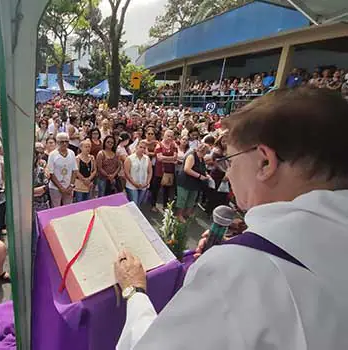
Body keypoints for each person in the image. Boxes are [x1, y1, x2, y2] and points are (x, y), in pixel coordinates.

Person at [115, 87, 348, 350]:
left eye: (230, 161)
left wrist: (134, 292)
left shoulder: (241, 268)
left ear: (265, 163)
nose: (228, 174)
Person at [175, 143, 209, 222]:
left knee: (191, 199)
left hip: (195, 183)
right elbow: (187, 169)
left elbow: (203, 169)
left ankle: (187, 213)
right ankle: (179, 215)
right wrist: (200, 176)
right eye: (203, 152)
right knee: (182, 199)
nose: (204, 154)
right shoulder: (191, 156)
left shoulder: (202, 159)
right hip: (185, 181)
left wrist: (207, 175)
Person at [47, 132, 78, 207]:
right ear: (57, 142)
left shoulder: (72, 153)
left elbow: (75, 170)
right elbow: (51, 173)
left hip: (69, 188)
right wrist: (61, 188)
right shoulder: (52, 155)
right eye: (62, 142)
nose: (64, 144)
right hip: (55, 188)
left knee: (68, 209)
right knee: (56, 208)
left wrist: (71, 186)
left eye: (66, 141)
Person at [151, 130, 177, 211]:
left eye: (171, 136)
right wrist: (171, 159)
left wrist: (165, 158)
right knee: (156, 188)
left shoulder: (174, 145)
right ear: (164, 136)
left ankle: (165, 205)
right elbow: (159, 158)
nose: (170, 138)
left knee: (167, 189)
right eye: (168, 136)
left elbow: (175, 157)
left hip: (169, 171)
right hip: (160, 170)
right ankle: (153, 205)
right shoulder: (159, 145)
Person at [124, 141, 152, 207]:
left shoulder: (147, 158)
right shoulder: (129, 158)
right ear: (136, 147)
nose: (142, 149)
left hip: (143, 185)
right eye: (140, 147)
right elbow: (127, 173)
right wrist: (134, 183)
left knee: (139, 204)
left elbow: (150, 171)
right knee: (134, 204)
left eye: (144, 148)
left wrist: (147, 182)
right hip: (132, 186)